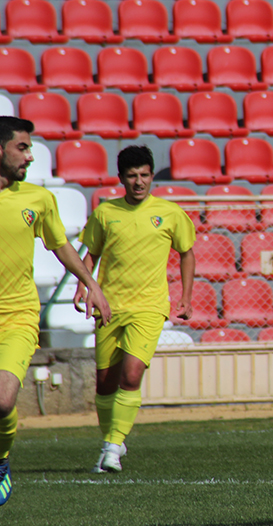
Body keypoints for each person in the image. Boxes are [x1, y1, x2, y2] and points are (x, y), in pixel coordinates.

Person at [0, 116, 110, 505]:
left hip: (18, 314)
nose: (30, 156)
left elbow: (60, 246)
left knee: (2, 400)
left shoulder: (37, 199)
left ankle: (1, 460)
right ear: (0, 149)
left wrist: (91, 283)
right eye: (23, 147)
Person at [75, 146, 195, 474]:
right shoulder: (104, 213)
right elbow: (91, 253)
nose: (139, 182)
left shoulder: (169, 213)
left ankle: (112, 447)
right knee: (104, 383)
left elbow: (186, 252)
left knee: (131, 375)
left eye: (144, 175)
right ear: (121, 179)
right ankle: (111, 440)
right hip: (109, 306)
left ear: (152, 176)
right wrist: (83, 286)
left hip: (150, 306)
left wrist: (185, 297)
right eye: (132, 176)